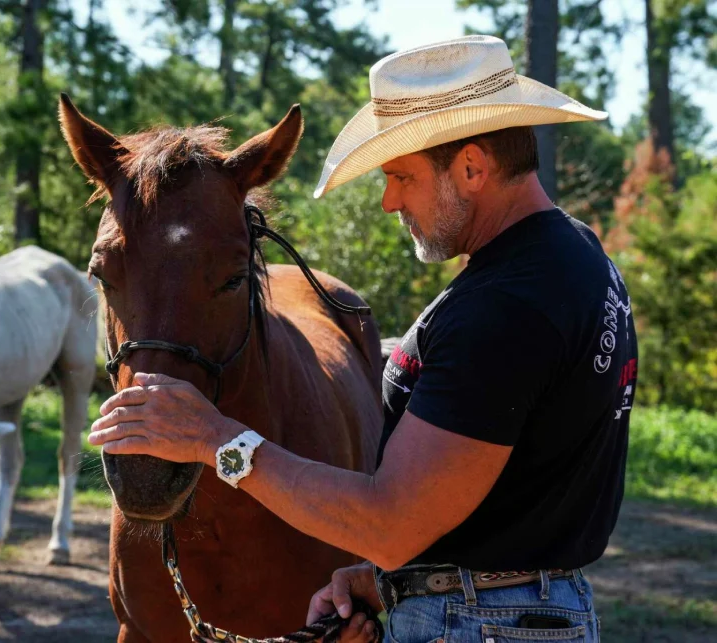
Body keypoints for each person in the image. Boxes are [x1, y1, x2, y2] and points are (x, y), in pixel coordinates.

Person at [87, 36, 637, 642]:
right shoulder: (572, 254)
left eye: (402, 176)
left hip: (485, 626)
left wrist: (214, 437)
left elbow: (390, 526)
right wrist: (394, 584)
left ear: (473, 168)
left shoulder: (506, 306)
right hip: (502, 612)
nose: (388, 200)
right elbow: (513, 494)